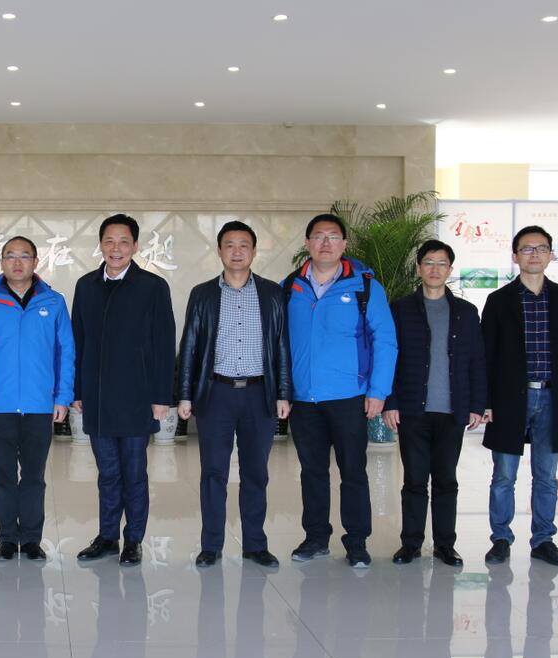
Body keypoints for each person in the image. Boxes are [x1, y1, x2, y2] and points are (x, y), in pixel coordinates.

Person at [282, 213, 397, 568]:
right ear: (307, 243)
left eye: (333, 236)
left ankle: (357, 542)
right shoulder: (289, 287)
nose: (326, 243)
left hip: (349, 396)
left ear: (344, 244)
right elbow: (277, 342)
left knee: (353, 472)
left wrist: (378, 391)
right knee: (312, 472)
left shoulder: (364, 287)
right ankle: (316, 537)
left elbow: (385, 341)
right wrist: (282, 391)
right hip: (304, 399)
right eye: (318, 236)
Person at [177, 221, 290, 568]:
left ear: (254, 251)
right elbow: (189, 346)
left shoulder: (272, 293)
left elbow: (281, 346)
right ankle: (211, 545)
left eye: (244, 245)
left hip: (259, 394)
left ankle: (255, 545)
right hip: (217, 394)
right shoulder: (203, 294)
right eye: (230, 245)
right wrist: (184, 394)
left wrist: (283, 393)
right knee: (213, 472)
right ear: (219, 251)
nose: (237, 251)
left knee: (256, 472)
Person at [71, 214, 175, 566]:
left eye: (123, 242)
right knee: (107, 473)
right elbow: (78, 341)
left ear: (135, 246)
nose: (116, 248)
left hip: (137, 396)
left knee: (133, 473)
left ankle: (133, 540)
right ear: (101, 245)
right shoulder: (86, 286)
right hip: (98, 397)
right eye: (109, 241)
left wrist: (161, 396)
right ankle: (107, 537)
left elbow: (163, 343)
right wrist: (77, 389)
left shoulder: (152, 286)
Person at [0, 236, 75, 561]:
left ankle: (31, 540)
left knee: (34, 477)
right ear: (1, 262)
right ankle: (8, 540)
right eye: (10, 256)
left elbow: (65, 353)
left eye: (24, 256)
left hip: (40, 406)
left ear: (36, 262)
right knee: (3, 476)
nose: (17, 262)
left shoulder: (54, 303)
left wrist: (62, 397)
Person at [481, 225, 558, 568]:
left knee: (547, 477)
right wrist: (486, 402)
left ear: (550, 255)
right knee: (503, 476)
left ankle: (543, 541)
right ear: (515, 256)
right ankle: (500, 539)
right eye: (527, 248)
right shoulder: (498, 301)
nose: (534, 254)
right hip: (510, 399)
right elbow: (486, 356)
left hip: (554, 398)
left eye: (541, 248)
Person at [383, 239, 487, 567]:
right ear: (419, 268)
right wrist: (390, 402)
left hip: (452, 411)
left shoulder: (466, 313)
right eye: (428, 262)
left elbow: (477, 361)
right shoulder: (400, 309)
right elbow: (389, 358)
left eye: (442, 263)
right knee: (414, 481)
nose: (435, 269)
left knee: (446, 481)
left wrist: (477, 405)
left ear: (450, 270)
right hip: (412, 410)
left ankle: (445, 545)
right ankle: (411, 544)